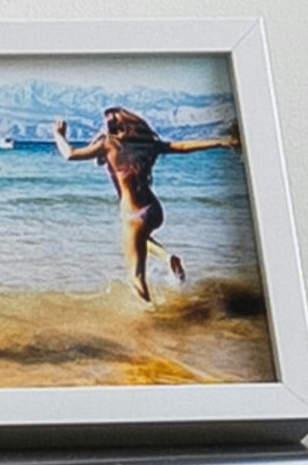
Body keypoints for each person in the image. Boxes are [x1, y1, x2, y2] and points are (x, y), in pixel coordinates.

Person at [60, 95, 235, 307]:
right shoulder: (147, 145)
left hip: (133, 216)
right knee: (142, 239)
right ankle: (167, 257)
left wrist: (58, 135)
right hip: (154, 211)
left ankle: (149, 314)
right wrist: (220, 142)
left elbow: (70, 154)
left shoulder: (108, 145)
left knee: (136, 275)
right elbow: (183, 146)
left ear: (113, 127)